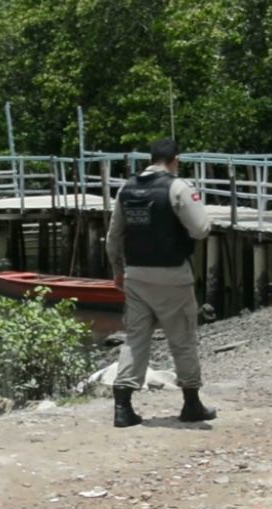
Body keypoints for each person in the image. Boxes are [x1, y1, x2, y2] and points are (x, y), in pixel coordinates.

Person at [104, 138, 216, 428]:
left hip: (136, 274)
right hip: (173, 275)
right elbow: (201, 229)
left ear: (150, 159)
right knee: (182, 339)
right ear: (175, 160)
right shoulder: (179, 187)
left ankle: (123, 407)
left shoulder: (126, 188)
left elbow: (114, 236)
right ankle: (191, 404)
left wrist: (117, 270)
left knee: (135, 339)